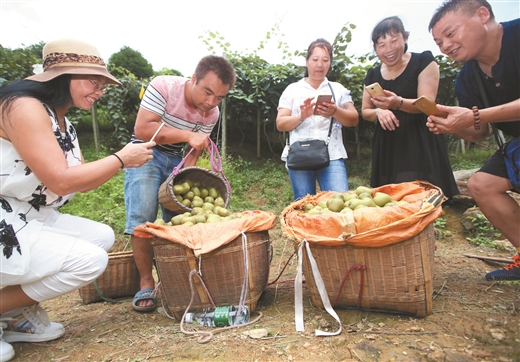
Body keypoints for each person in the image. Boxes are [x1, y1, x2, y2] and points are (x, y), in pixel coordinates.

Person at [0, 38, 154, 361]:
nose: (99, 91)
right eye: (92, 82)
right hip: (6, 217)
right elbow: (59, 179)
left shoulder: (63, 122)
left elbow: (80, 181)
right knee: (90, 261)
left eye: (102, 85)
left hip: (30, 213)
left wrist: (123, 161)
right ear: (62, 77)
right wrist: (121, 159)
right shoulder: (23, 107)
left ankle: (12, 314)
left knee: (103, 237)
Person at [125, 56, 236, 312]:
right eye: (207, 92)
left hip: (177, 158)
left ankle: (174, 278)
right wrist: (187, 134)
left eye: (219, 97)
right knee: (143, 217)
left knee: (179, 218)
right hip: (144, 152)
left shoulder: (212, 113)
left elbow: (193, 150)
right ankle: (145, 281)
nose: (211, 102)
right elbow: (143, 129)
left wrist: (185, 178)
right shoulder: (164, 87)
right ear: (193, 78)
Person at [427, 0, 520, 281]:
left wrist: (476, 114)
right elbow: (480, 133)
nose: (445, 45)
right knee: (482, 184)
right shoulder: (467, 78)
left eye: (450, 33)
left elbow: (479, 116)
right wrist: (453, 126)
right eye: (439, 42)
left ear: (482, 14)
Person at [361, 16, 459, 199]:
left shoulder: (424, 62)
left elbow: (426, 103)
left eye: (393, 40)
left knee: (424, 196)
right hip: (389, 142)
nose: (388, 49)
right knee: (390, 200)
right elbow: (365, 111)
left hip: (419, 138)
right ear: (375, 48)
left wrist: (397, 102)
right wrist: (379, 111)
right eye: (381, 44)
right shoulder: (373, 75)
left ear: (405, 38)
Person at [276, 38, 359, 200]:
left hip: (332, 155)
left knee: (339, 203)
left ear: (330, 63)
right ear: (307, 62)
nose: (319, 64)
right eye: (315, 59)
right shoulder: (292, 90)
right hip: (300, 155)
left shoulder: (338, 90)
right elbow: (280, 124)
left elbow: (353, 119)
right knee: (304, 206)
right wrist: (301, 116)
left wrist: (335, 111)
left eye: (325, 60)